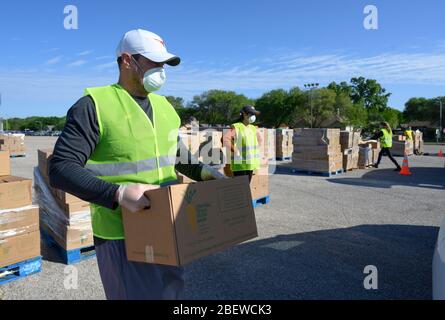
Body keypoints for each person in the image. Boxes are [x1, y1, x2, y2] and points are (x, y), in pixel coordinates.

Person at [48, 29, 225, 300]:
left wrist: (202, 171)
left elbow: (174, 152)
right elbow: (61, 168)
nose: (161, 70)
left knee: (171, 294)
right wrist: (117, 194)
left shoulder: (165, 106)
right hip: (121, 233)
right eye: (154, 62)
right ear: (127, 60)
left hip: (168, 223)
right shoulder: (94, 105)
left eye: (164, 64)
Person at [223, 105, 262, 182]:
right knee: (241, 189)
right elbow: (225, 139)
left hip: (250, 164)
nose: (253, 116)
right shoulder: (237, 126)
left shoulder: (253, 128)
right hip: (240, 165)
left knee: (246, 187)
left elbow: (259, 140)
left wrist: (257, 148)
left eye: (254, 114)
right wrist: (235, 150)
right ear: (244, 114)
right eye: (251, 114)